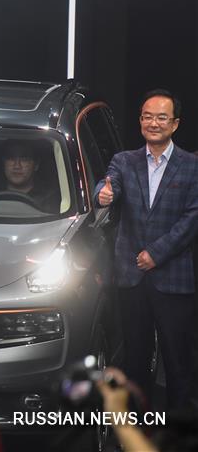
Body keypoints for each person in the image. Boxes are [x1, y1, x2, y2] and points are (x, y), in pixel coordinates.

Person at [96, 89, 198, 410]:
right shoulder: (124, 161)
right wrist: (103, 194)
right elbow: (108, 184)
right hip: (131, 278)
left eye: (161, 117)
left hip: (173, 278)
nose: (154, 123)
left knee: (178, 361)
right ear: (140, 120)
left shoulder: (192, 165)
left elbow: (192, 218)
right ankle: (140, 426)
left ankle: (178, 428)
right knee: (134, 360)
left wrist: (157, 253)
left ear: (175, 123)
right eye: (147, 117)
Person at [0, 140, 60, 212]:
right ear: (3, 163)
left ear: (36, 165)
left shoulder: (50, 197)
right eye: (11, 158)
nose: (17, 166)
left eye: (24, 159)